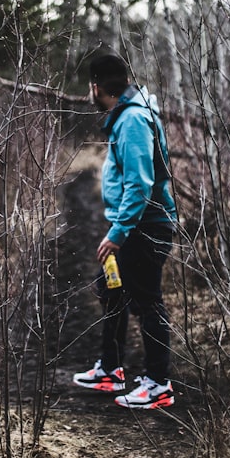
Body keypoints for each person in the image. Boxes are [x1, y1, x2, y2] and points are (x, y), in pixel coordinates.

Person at [72, 52, 178, 409]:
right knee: (111, 289)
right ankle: (110, 370)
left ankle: (158, 384)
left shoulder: (132, 120)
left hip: (144, 227)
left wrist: (118, 231)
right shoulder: (128, 116)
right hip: (135, 224)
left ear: (97, 86)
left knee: (147, 301)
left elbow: (139, 184)